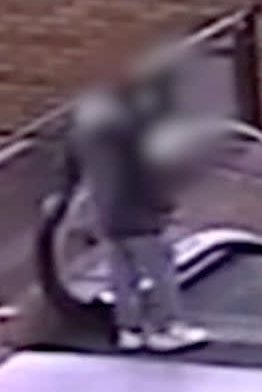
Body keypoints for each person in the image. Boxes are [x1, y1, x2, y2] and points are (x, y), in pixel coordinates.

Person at [70, 79, 206, 353]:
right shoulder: (132, 142)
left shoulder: (88, 138)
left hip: (107, 215)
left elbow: (78, 174)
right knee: (160, 271)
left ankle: (128, 330)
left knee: (122, 275)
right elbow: (147, 180)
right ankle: (165, 328)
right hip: (140, 217)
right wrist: (166, 208)